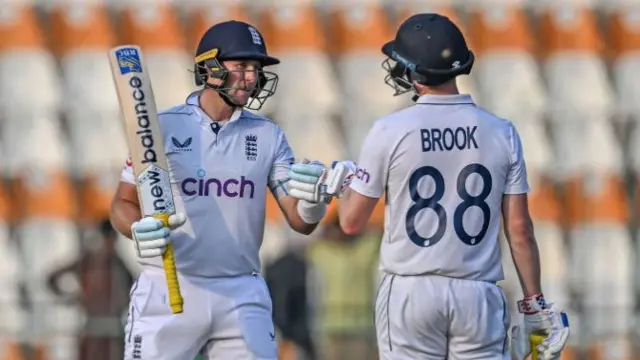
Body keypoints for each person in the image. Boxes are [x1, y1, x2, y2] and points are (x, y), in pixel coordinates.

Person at [286, 13, 571, 360]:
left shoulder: (390, 130)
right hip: (477, 294)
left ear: (415, 73)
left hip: (410, 291)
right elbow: (520, 231)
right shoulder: (502, 131)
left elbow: (350, 223)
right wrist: (534, 304)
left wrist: (344, 185)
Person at [109, 20, 328, 360]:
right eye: (241, 66)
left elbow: (300, 221)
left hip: (241, 291)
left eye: (255, 69)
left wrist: (314, 202)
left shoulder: (268, 135)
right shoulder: (162, 126)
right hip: (170, 286)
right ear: (208, 67)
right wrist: (137, 228)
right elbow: (122, 204)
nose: (251, 77)